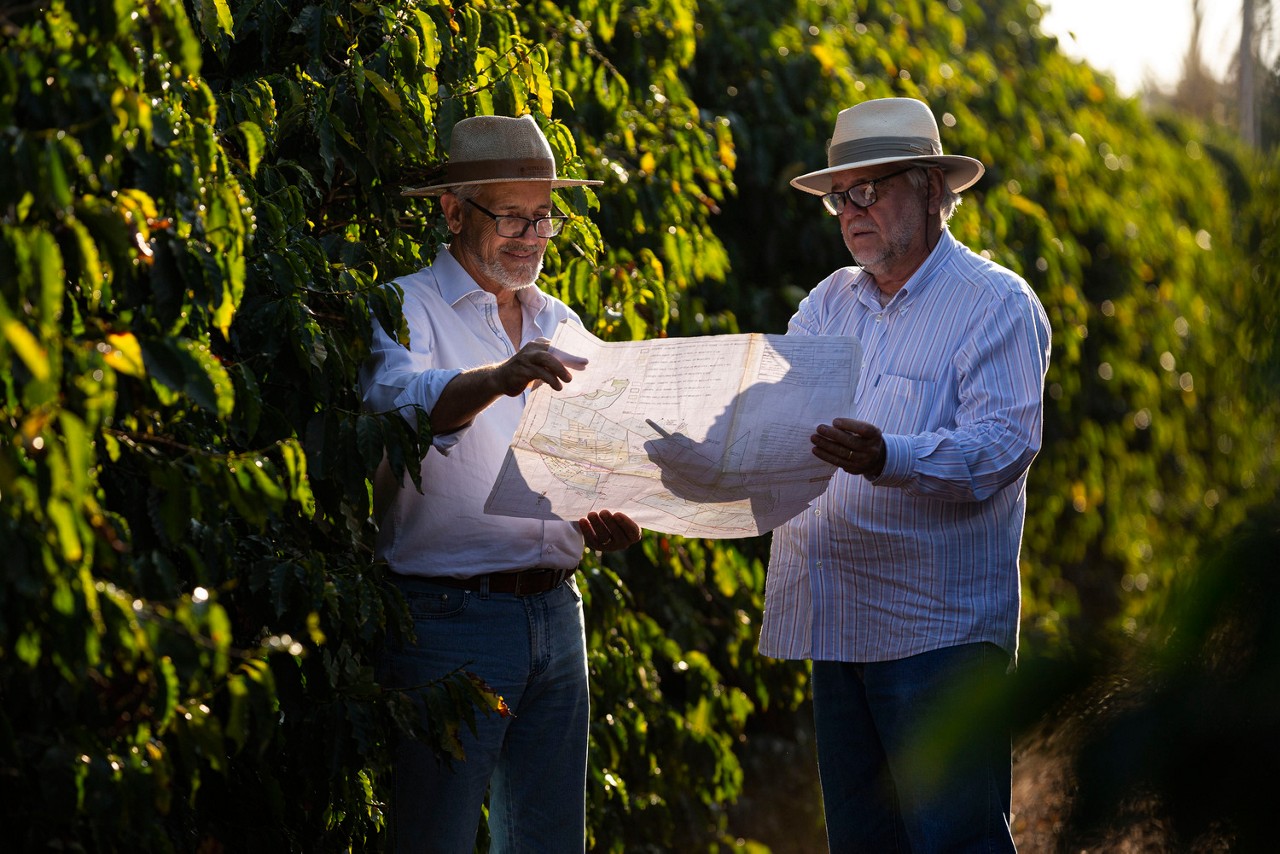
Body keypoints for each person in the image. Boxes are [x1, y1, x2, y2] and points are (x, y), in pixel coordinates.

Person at [758, 98, 1052, 851]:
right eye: (840, 196)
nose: (852, 211)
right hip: (840, 622)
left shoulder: (994, 304)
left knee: (955, 841)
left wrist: (890, 455)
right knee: (864, 843)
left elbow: (1001, 445)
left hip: (938, 635)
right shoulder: (831, 302)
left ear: (931, 189)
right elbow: (772, 407)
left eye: (870, 190)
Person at [360, 114, 642, 853]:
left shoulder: (562, 321)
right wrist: (497, 378)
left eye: (543, 217)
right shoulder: (406, 306)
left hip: (558, 614)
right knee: (436, 837)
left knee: (550, 840)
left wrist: (610, 510)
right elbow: (403, 409)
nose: (532, 235)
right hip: (448, 618)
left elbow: (591, 453)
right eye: (511, 216)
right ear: (453, 212)